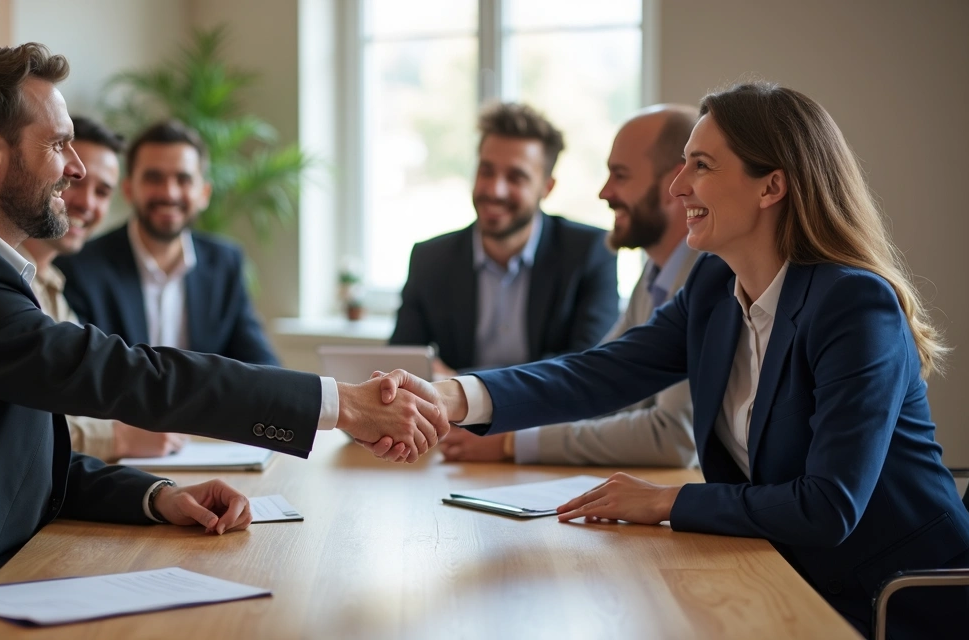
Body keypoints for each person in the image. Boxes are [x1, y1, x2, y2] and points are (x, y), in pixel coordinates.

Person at [0, 43, 444, 639]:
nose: (75, 169)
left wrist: (155, 496)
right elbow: (129, 375)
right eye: (58, 144)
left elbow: (25, 456)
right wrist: (338, 404)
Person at [376, 82, 968, 639]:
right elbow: (600, 372)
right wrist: (453, 399)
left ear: (771, 187)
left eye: (702, 166)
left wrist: (665, 501)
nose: (678, 185)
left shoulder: (853, 305)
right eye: (683, 163)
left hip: (894, 601)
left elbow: (827, 506)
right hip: (784, 574)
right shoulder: (714, 287)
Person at [442, 105, 700, 467]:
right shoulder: (655, 276)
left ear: (677, 183)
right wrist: (464, 399)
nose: (604, 193)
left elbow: (673, 437)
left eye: (620, 175)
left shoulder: (703, 282)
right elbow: (590, 380)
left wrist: (513, 442)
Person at [389, 102, 619, 376]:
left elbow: (588, 368)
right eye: (486, 171)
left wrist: (464, 385)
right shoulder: (430, 258)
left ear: (547, 188)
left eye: (515, 177)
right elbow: (402, 362)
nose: (495, 190)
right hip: (451, 419)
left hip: (549, 419)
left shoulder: (590, 252)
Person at [18, 115, 188, 462]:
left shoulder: (52, 284)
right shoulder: (9, 278)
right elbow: (22, 425)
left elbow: (80, 396)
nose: (87, 203)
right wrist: (118, 438)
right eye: (74, 180)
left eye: (103, 191)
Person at [56, 120, 279, 366]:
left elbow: (259, 363)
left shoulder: (225, 263)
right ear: (129, 190)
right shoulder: (79, 265)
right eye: (154, 178)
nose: (169, 193)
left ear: (204, 193)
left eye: (183, 179)